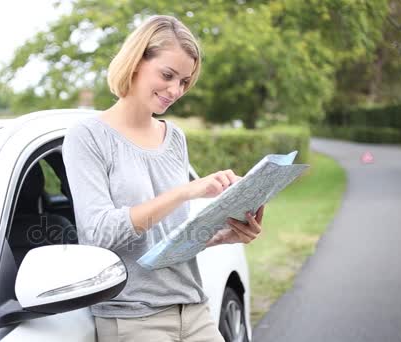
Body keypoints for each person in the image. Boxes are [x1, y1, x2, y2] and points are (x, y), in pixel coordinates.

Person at [62, 14, 264, 342]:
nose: (175, 90)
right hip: (133, 318)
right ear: (137, 61)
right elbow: (98, 234)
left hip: (194, 308)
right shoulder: (88, 136)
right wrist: (183, 192)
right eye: (168, 75)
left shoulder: (174, 138)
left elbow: (166, 241)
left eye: (184, 81)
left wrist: (222, 236)